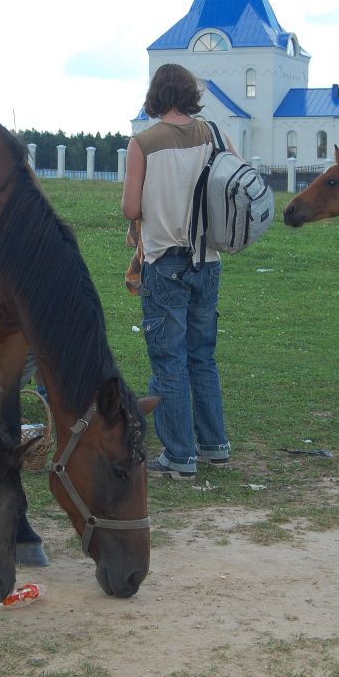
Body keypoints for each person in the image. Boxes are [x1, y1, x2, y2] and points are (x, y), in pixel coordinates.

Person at [122, 63, 233, 479]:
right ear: (189, 93)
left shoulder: (144, 143)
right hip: (208, 261)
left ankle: (179, 455)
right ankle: (214, 445)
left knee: (169, 360)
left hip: (165, 262)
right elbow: (237, 182)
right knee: (203, 357)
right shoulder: (215, 135)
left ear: (155, 95)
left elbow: (131, 209)